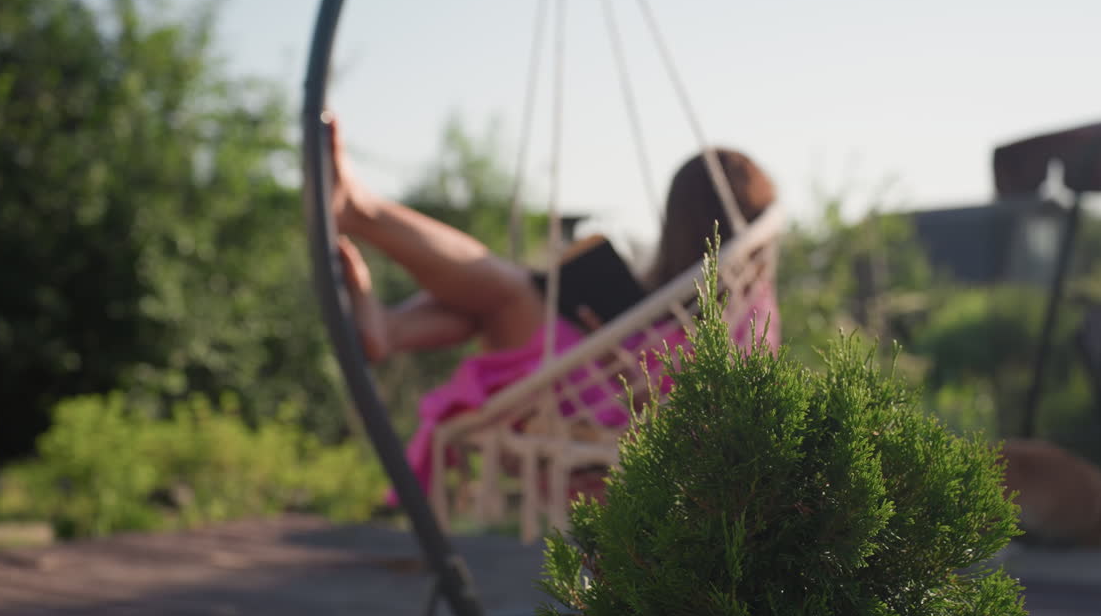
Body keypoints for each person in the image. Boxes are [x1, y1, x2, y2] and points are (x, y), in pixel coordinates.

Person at [324, 114, 780, 500]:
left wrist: (624, 361)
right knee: (501, 295)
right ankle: (387, 323)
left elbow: (713, 413)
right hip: (587, 388)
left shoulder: (746, 314)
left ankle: (362, 215)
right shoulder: (740, 303)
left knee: (510, 290)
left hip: (601, 404)